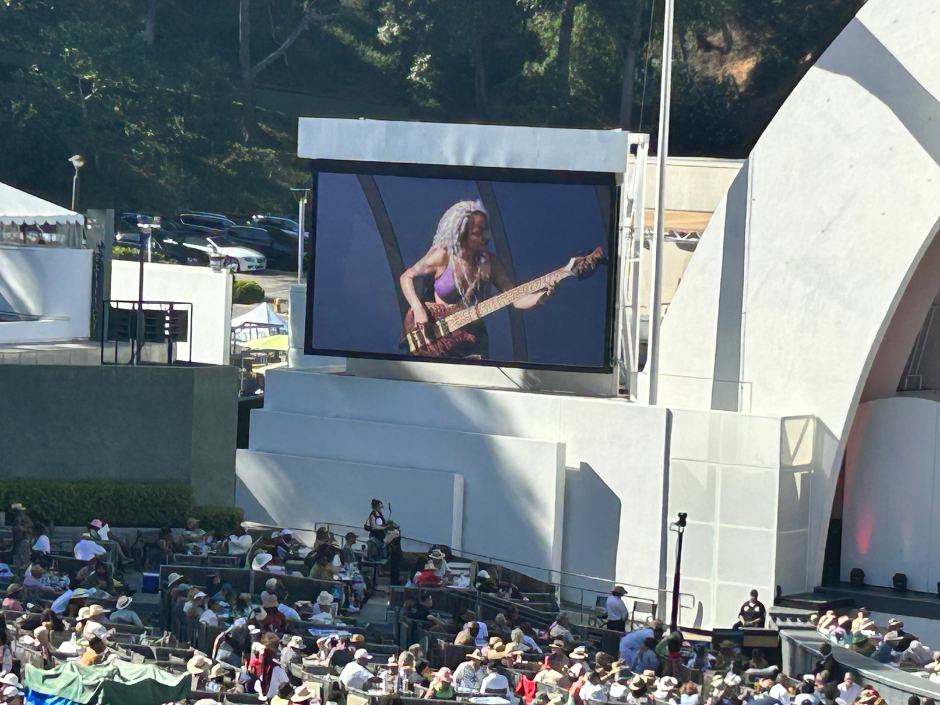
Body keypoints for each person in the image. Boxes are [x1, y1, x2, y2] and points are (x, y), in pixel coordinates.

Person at [399, 199, 553, 360]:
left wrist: (538, 298)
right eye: (477, 234)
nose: (485, 238)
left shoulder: (490, 263)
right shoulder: (443, 256)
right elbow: (406, 277)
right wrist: (418, 309)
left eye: (485, 232)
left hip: (470, 340)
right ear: (461, 236)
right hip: (436, 340)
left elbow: (514, 298)